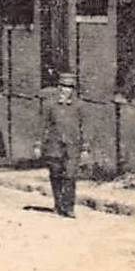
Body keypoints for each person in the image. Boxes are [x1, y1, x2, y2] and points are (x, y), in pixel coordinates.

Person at [36, 71, 87, 217]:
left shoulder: (79, 106)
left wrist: (85, 148)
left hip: (73, 147)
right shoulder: (50, 105)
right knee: (56, 174)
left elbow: (85, 127)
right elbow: (42, 126)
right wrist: (38, 145)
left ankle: (69, 207)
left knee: (70, 175)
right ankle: (58, 205)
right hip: (54, 146)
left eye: (70, 87)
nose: (67, 90)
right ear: (59, 87)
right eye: (64, 86)